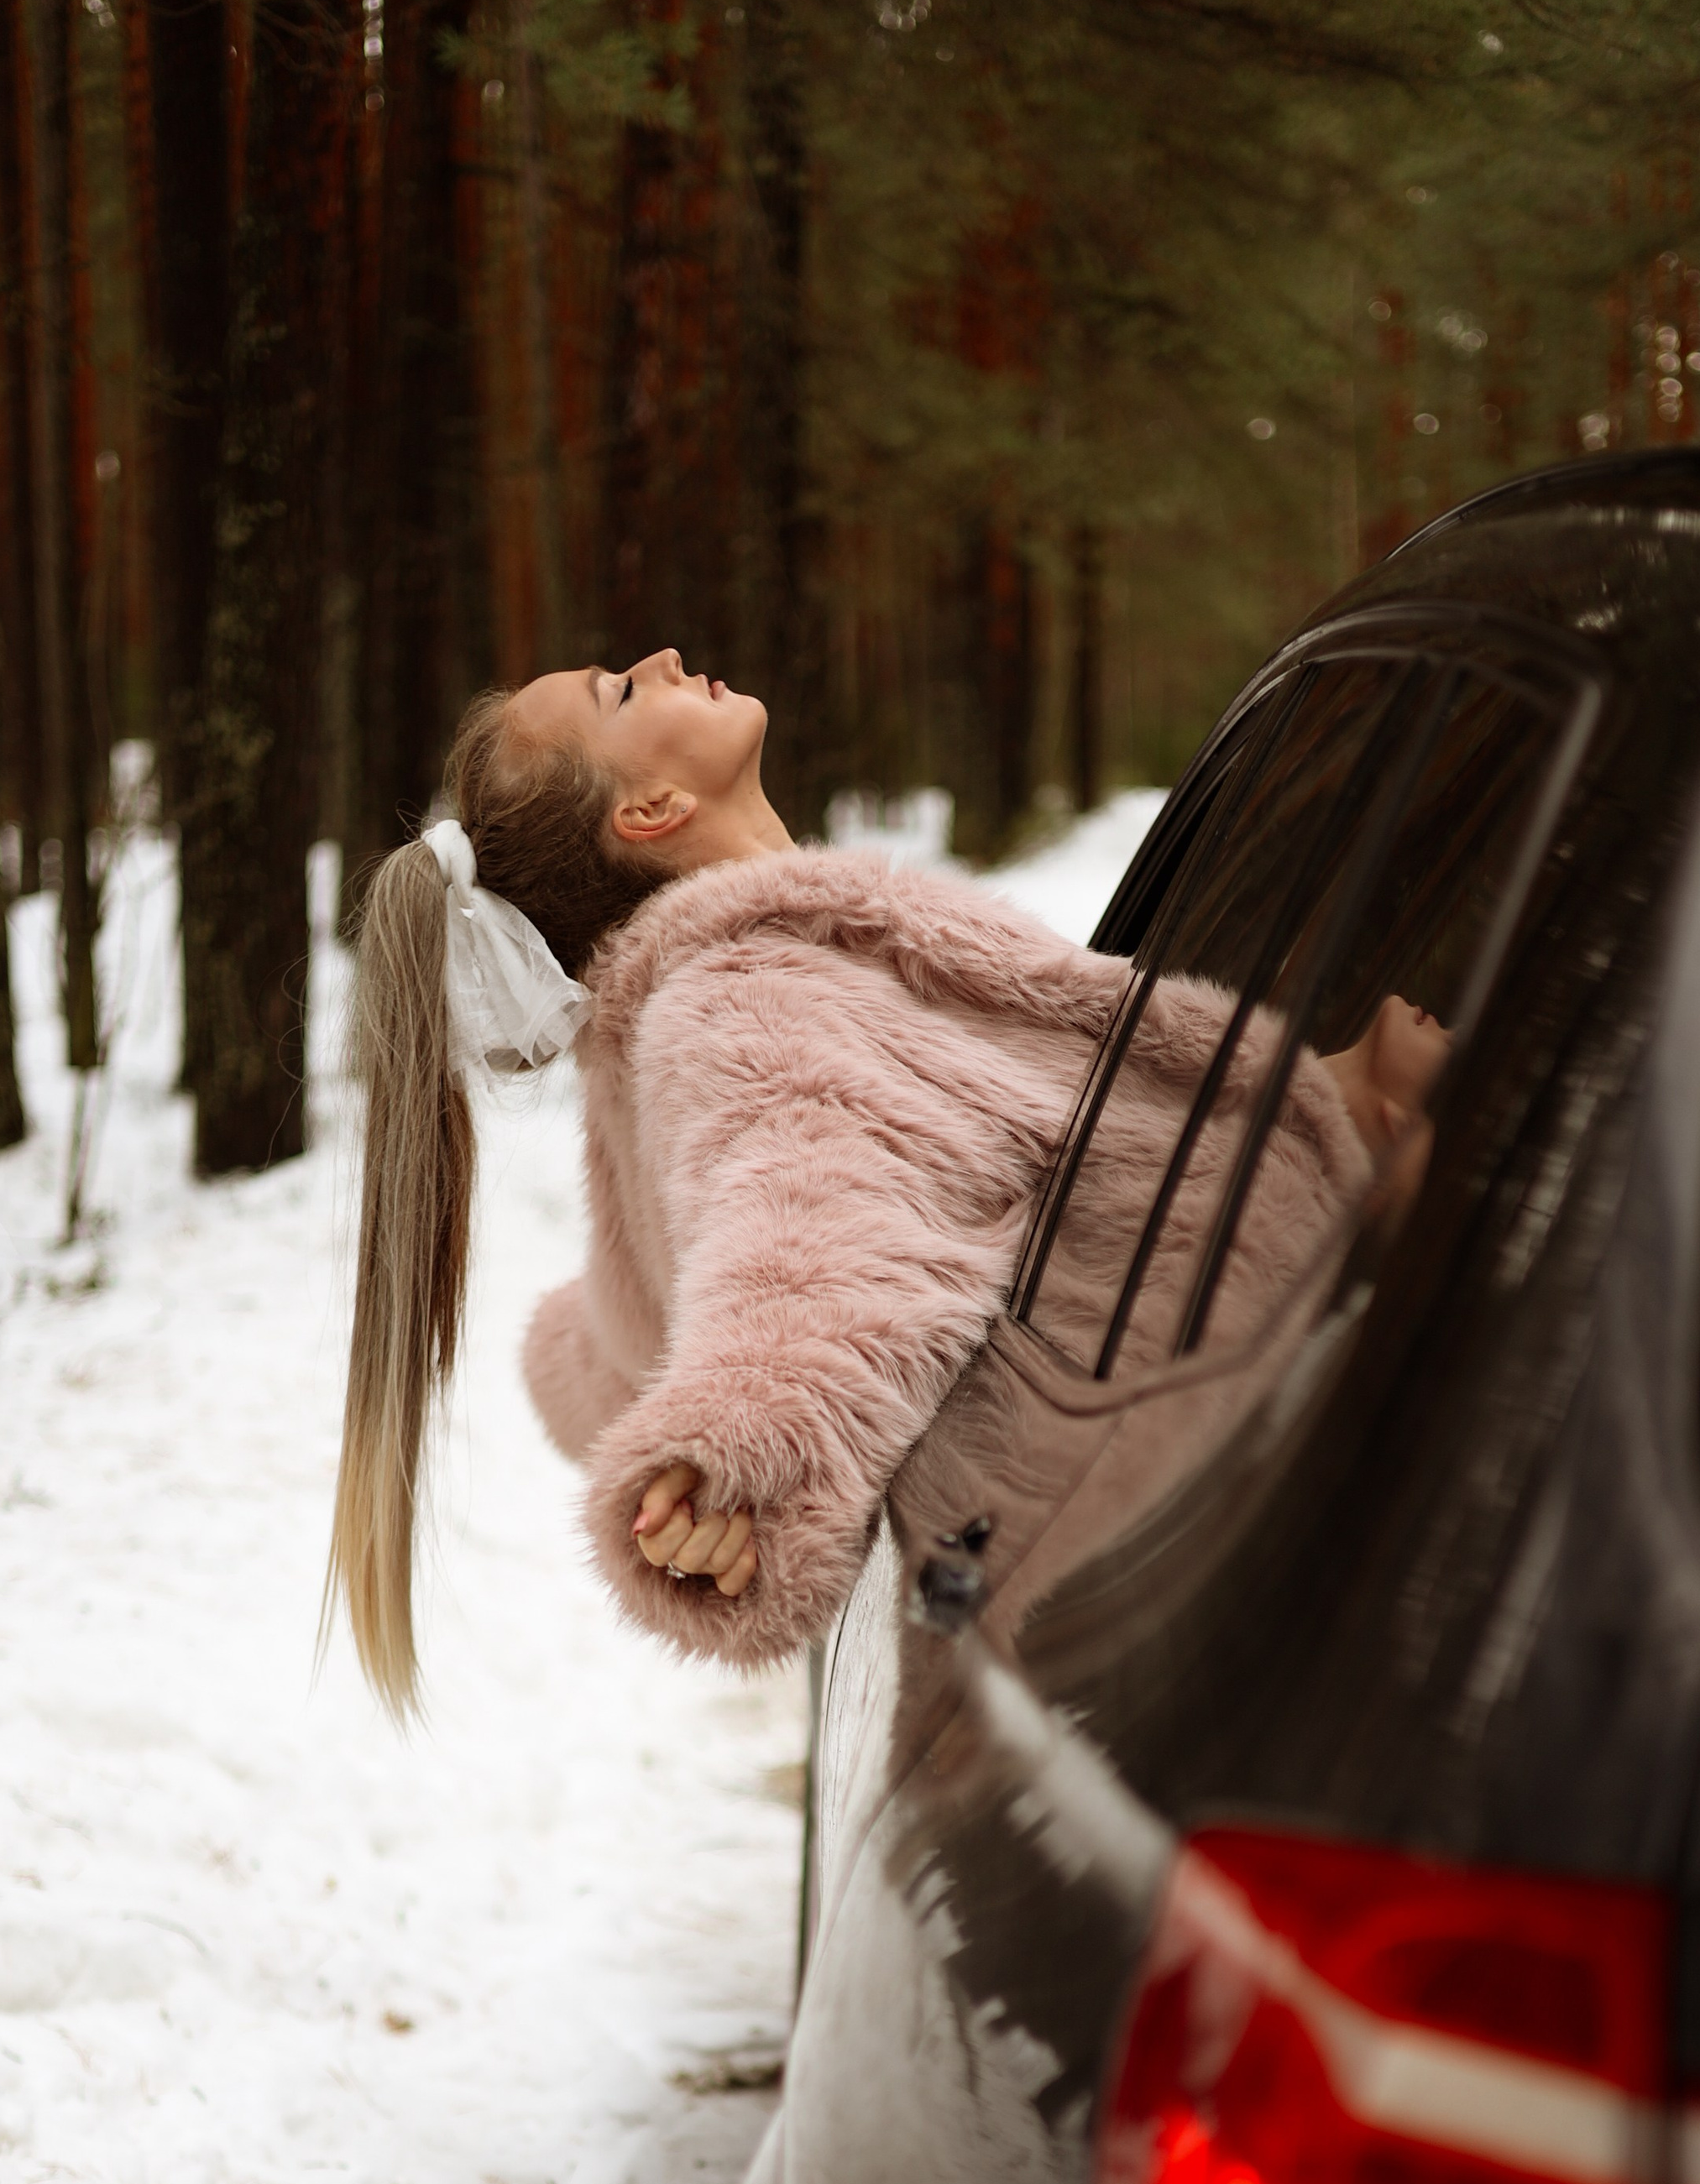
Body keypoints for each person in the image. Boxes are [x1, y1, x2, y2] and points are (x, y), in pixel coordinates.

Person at [326, 649, 1444, 1714]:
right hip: (1260, 1443)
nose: (663, 659)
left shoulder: (713, 998)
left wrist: (1341, 1090)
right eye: (622, 690)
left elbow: (649, 1320)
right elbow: (815, 1247)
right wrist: (744, 1449)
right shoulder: (754, 997)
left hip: (1209, 1465)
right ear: (652, 809)